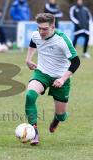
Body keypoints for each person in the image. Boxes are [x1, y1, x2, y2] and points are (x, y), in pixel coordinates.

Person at [25, 13, 80, 145]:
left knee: (61, 115)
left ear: (53, 27)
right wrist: (28, 59)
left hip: (60, 78)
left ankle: (57, 119)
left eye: (45, 29)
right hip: (42, 73)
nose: (41, 32)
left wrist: (62, 79)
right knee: (30, 96)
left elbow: (76, 61)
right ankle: (34, 132)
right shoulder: (36, 35)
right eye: (39, 28)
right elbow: (33, 43)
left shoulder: (62, 40)